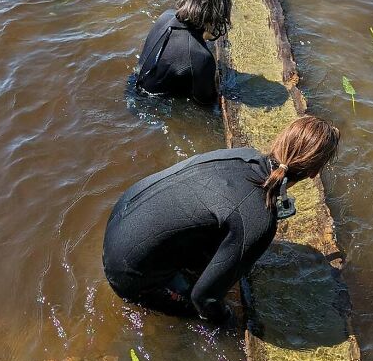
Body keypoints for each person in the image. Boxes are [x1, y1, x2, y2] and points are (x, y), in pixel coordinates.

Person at [102, 116, 340, 323]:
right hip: (126, 274)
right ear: (313, 173)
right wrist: (226, 321)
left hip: (119, 220)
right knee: (209, 312)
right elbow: (203, 298)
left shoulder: (242, 156)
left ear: (280, 142)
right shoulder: (260, 219)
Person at [135, 0, 232, 104]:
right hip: (154, 105)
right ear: (215, 15)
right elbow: (206, 103)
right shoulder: (202, 58)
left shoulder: (166, 16)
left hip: (133, 89)